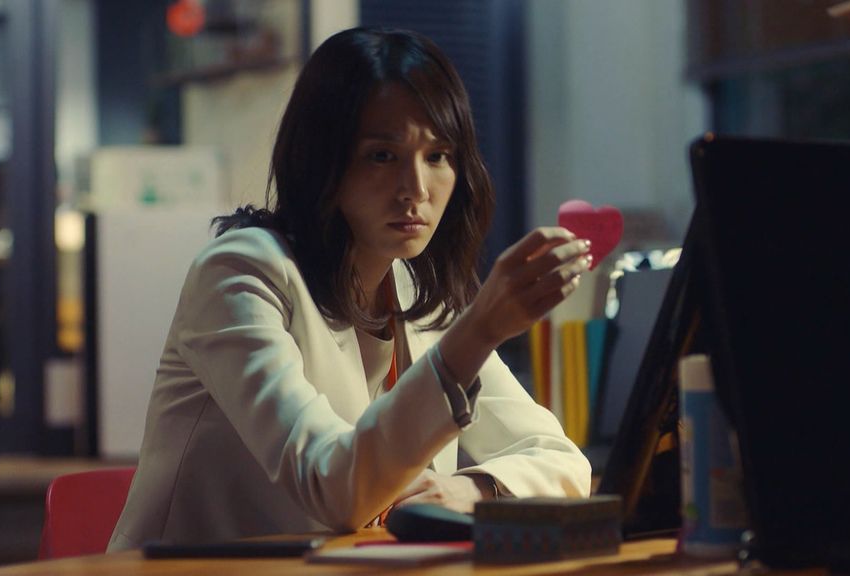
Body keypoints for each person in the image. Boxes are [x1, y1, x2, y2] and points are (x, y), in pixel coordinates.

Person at [108, 27, 592, 550]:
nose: (416, 189)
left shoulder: (415, 292)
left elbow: (563, 461)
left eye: (437, 156)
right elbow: (333, 487)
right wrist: (479, 329)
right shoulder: (240, 274)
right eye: (382, 155)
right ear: (322, 161)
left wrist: (474, 488)